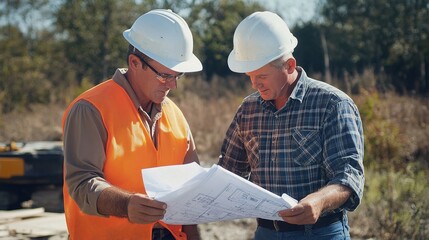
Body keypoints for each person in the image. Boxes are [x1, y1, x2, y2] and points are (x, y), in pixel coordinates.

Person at [218, 11, 364, 240]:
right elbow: (228, 172)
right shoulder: (248, 110)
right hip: (266, 232)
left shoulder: (332, 105)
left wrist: (318, 201)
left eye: (262, 76)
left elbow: (349, 177)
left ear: (289, 65)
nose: (255, 84)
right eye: (250, 76)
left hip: (321, 233)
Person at [62, 9, 202, 240]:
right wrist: (126, 204)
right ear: (135, 63)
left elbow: (191, 190)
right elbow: (82, 184)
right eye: (165, 75)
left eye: (178, 75)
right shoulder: (90, 109)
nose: (173, 85)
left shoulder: (175, 115)